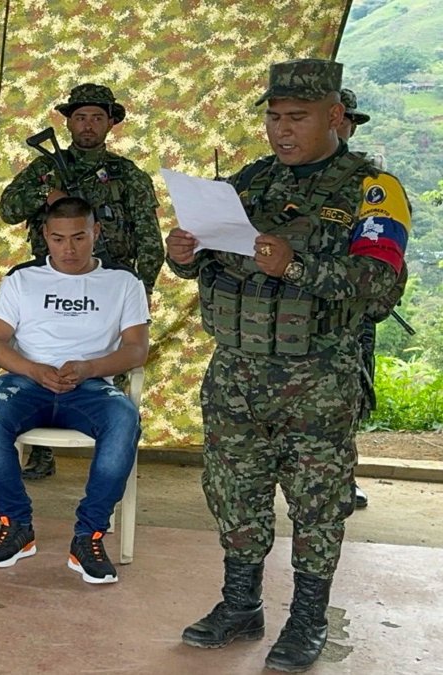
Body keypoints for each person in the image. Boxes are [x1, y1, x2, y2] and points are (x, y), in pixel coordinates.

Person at [167, 59, 410, 672]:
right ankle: (240, 605)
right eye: (274, 118)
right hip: (238, 373)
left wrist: (296, 266)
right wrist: (187, 257)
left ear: (333, 116)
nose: (281, 131)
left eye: (296, 118)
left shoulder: (373, 190)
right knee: (232, 492)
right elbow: (217, 264)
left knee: (317, 503)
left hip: (319, 378)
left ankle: (306, 622)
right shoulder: (249, 182)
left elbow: (381, 288)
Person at [0, 197, 149, 584]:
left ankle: (89, 536)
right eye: (58, 239)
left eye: (79, 237)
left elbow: (137, 349)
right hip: (27, 383)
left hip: (91, 387)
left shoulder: (123, 282)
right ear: (45, 238)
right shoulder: (22, 279)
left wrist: (90, 368)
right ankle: (16, 525)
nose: (69, 249)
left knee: (124, 420)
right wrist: (32, 368)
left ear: (96, 233)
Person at [0, 83, 162, 481]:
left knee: (110, 369)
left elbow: (149, 237)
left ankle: (111, 449)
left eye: (97, 117)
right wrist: (47, 193)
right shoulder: (45, 167)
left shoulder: (127, 175)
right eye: (80, 116)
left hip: (110, 283)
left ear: (111, 123)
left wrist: (143, 290)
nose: (88, 125)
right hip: (48, 279)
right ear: (68, 121)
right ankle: (40, 450)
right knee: (43, 357)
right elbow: (7, 208)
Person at [338, 87, 378, 511]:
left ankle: (346, 478)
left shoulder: (371, 180)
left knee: (352, 395)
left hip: (355, 310)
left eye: (346, 118)